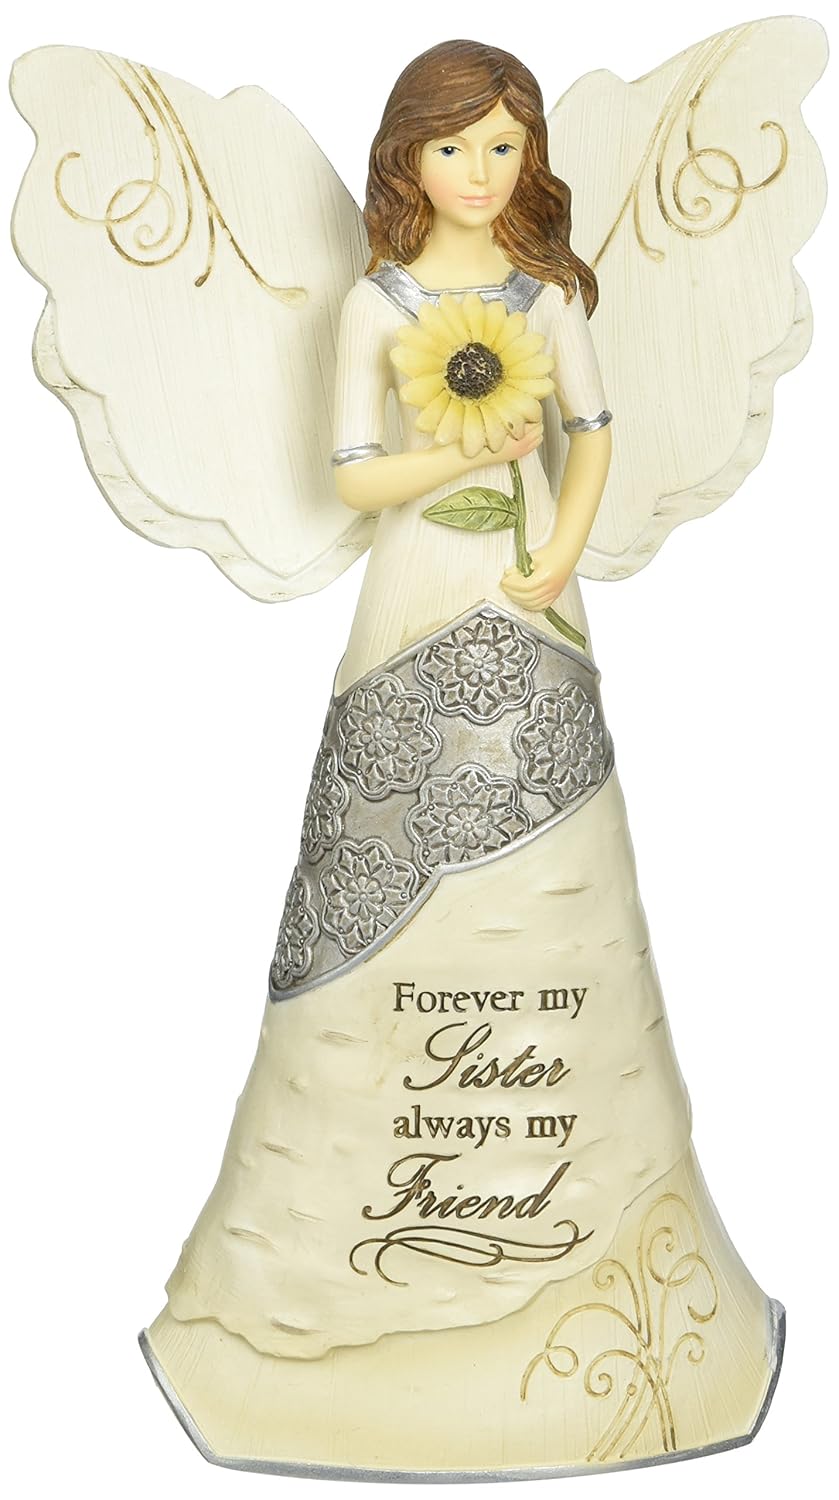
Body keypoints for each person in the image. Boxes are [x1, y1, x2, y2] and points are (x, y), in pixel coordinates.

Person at [139, 40, 784, 1476]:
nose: (480, 173)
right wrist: (469, 452)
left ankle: (593, 1251)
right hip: (420, 591)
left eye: (504, 146)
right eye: (454, 148)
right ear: (407, 160)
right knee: (386, 845)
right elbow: (354, 472)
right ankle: (331, 1288)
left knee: (558, 867)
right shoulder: (377, 305)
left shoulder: (549, 295)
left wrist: (559, 545)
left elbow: (594, 433)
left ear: (531, 156)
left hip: (529, 595)